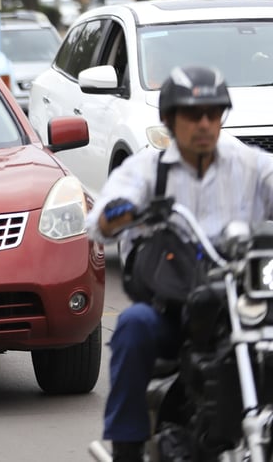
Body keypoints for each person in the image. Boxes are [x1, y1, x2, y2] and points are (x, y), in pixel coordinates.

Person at [87, 65, 273, 462]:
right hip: (173, 307)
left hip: (241, 303)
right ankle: (127, 445)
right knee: (133, 327)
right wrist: (122, 212)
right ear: (169, 119)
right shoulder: (146, 171)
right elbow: (99, 223)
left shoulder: (251, 164)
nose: (204, 123)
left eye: (213, 113)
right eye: (193, 114)